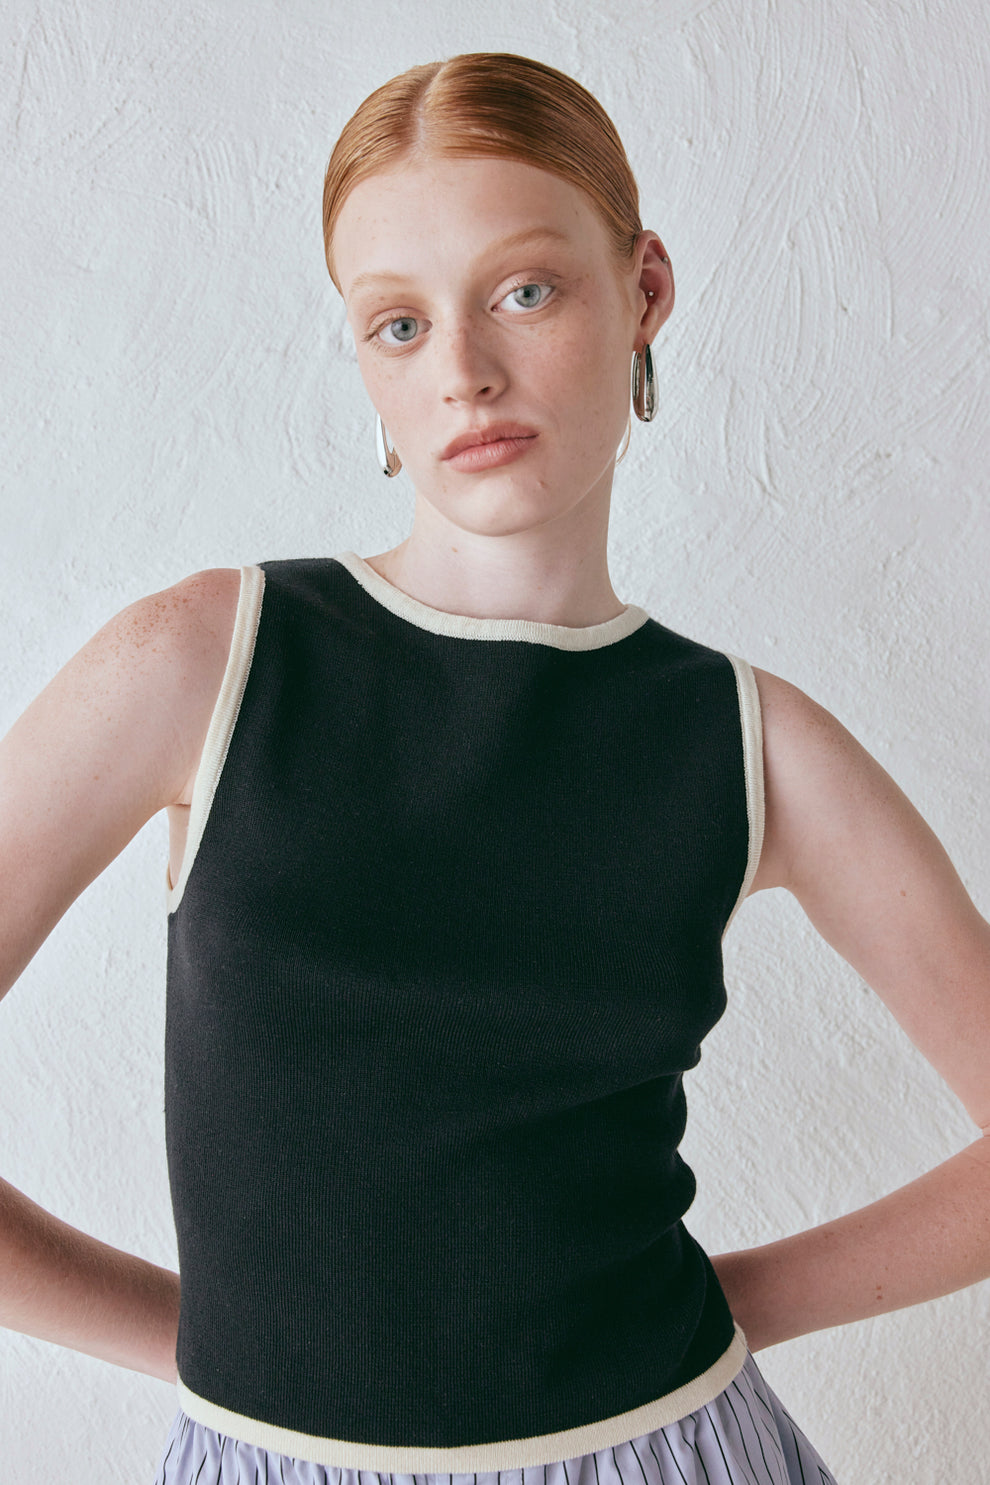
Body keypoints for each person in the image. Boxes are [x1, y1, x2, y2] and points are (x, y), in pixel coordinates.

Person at [1, 50, 988, 1485]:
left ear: (643, 289)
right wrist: (203, 1342)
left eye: (525, 290)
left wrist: (723, 1308)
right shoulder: (202, 662)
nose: (462, 369)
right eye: (398, 323)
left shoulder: (751, 742)